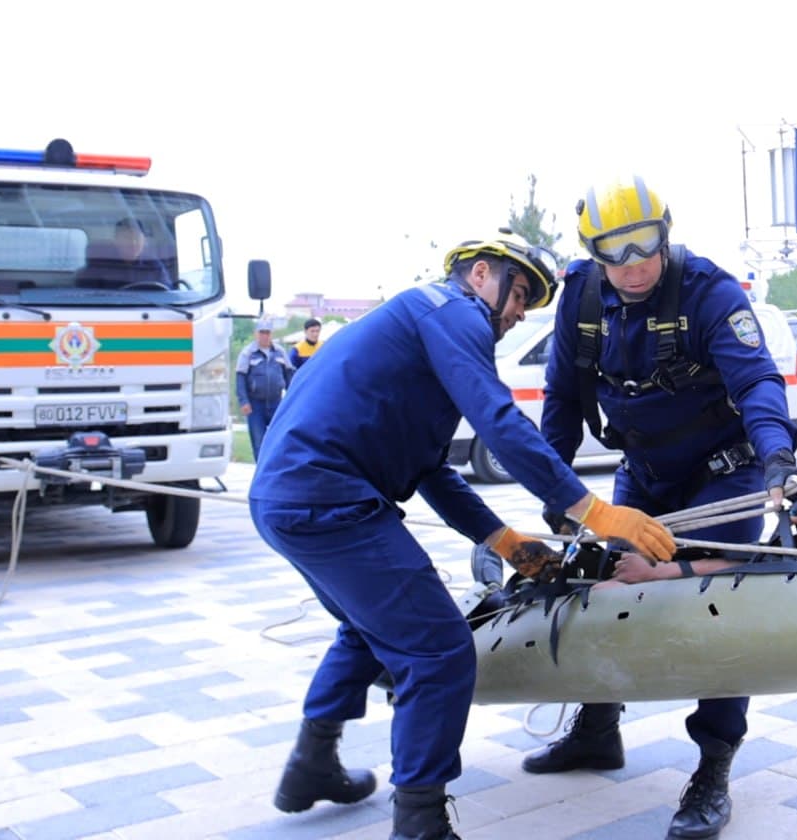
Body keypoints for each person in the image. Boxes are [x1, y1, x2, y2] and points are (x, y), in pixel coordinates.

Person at [250, 234, 676, 840]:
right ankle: (420, 823)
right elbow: (498, 421)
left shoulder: (420, 325)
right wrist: (591, 510)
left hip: (287, 499)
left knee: (368, 629)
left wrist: (504, 541)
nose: (517, 313)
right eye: (519, 293)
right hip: (330, 500)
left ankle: (312, 763)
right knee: (439, 651)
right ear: (481, 275)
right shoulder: (453, 312)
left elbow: (429, 468)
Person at [521, 176, 797, 840]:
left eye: (644, 247)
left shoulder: (709, 293)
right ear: (594, 254)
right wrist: (558, 492)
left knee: (717, 605)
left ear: (666, 233)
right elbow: (562, 402)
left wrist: (778, 460)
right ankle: (598, 727)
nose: (632, 266)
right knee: (600, 584)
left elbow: (757, 383)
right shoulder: (580, 298)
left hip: (725, 474)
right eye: (614, 253)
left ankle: (713, 766)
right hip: (643, 476)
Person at [236, 316, 293, 461]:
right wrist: (244, 401)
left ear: (271, 334)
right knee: (258, 441)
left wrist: (291, 398)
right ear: (256, 334)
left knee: (279, 439)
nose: (265, 336)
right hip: (255, 405)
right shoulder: (248, 353)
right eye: (262, 332)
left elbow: (289, 375)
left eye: (267, 332)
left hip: (276, 402)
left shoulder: (280, 352)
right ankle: (260, 472)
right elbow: (240, 378)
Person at [77, 216, 173, 288]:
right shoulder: (100, 265)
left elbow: (167, 292)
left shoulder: (154, 266)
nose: (133, 243)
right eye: (127, 238)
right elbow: (85, 297)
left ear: (144, 241)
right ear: (116, 240)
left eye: (137, 238)